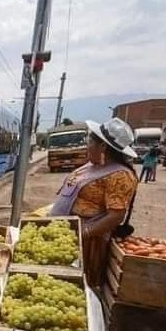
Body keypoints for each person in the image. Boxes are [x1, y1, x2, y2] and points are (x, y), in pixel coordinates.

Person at [49, 118, 138, 287]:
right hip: (63, 234)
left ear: (103, 146)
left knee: (73, 285)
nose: (87, 145)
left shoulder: (120, 175)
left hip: (87, 243)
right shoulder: (91, 166)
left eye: (90, 141)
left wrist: (84, 233)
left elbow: (116, 216)